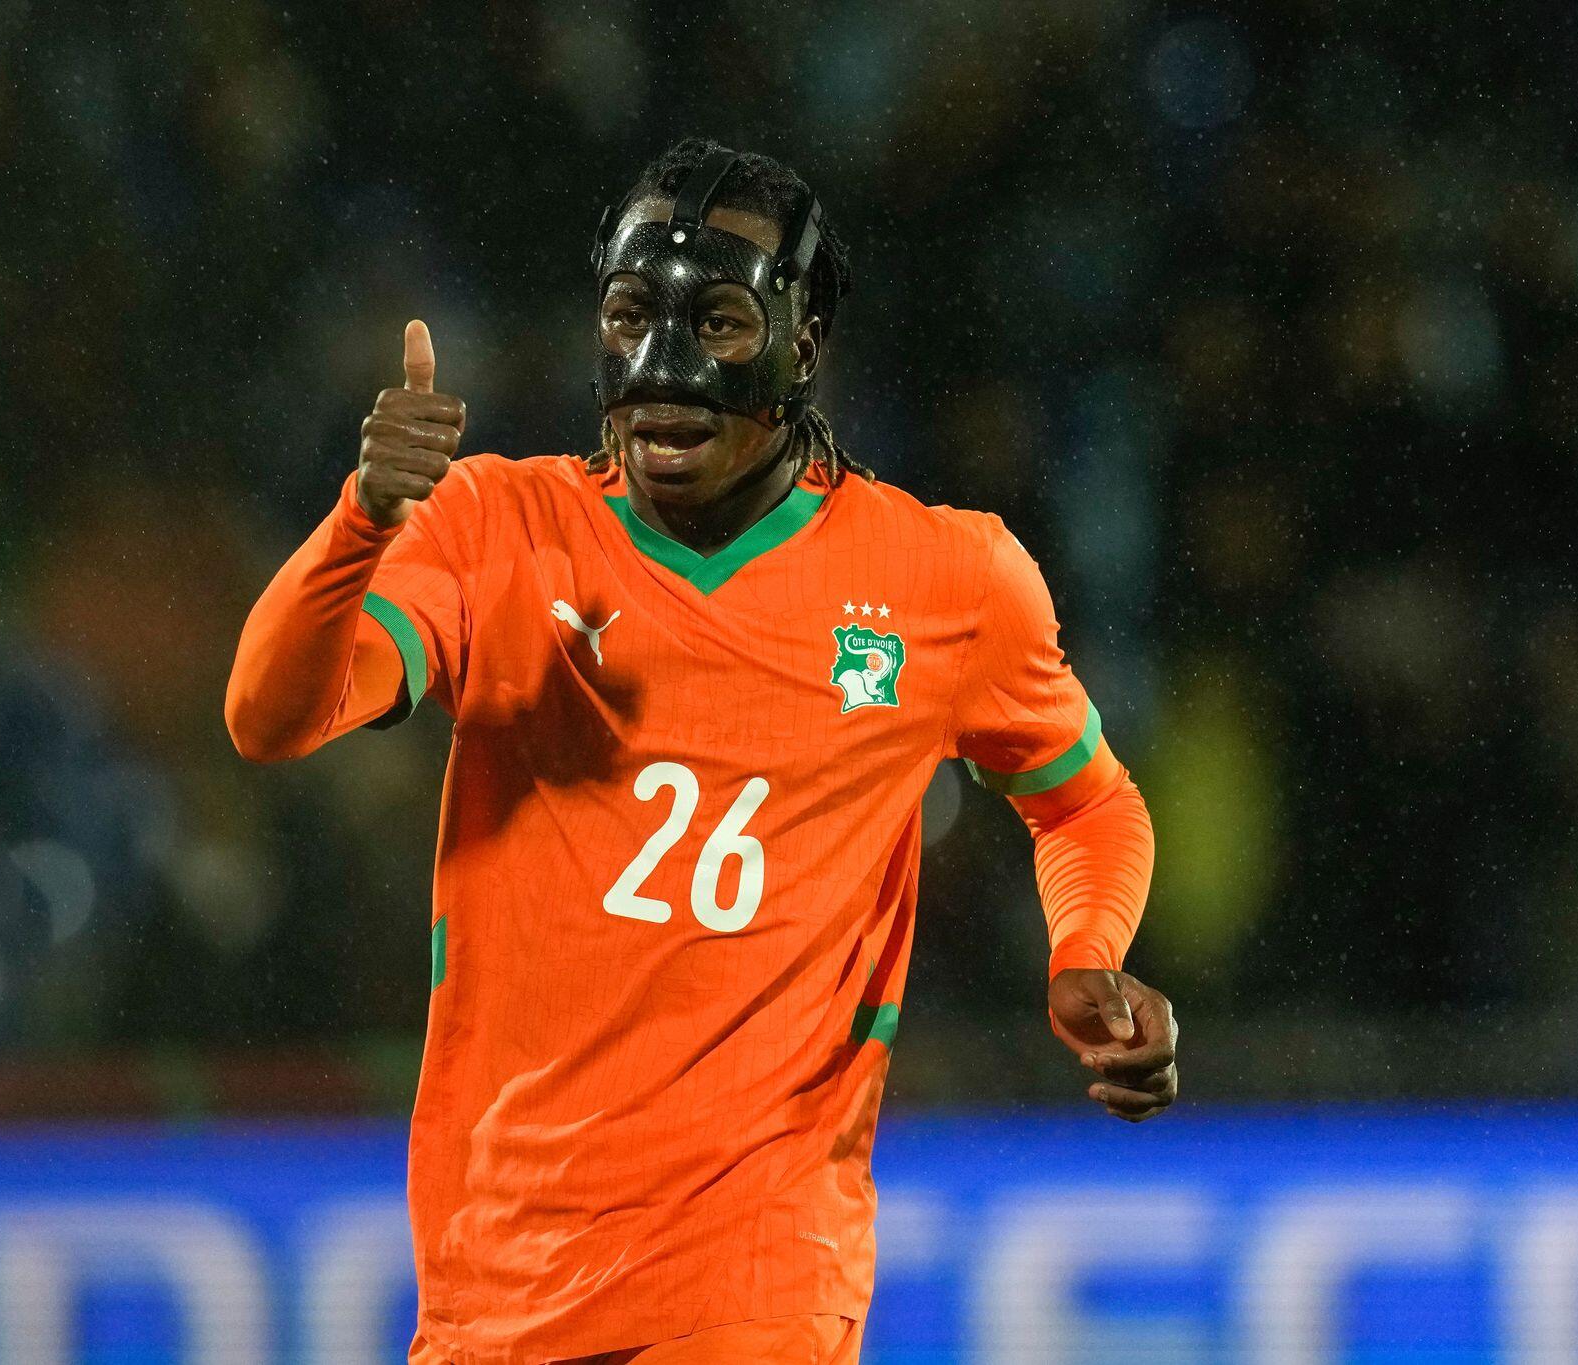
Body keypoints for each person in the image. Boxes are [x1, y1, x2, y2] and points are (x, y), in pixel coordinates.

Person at [226, 138, 1175, 1365]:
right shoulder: (492, 528)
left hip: (756, 1278)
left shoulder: (947, 580)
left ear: (801, 346)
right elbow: (270, 718)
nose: (663, 367)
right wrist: (361, 520)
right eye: (632, 316)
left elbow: (1086, 805)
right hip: (496, 1275)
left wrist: (1086, 952)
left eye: (718, 323)